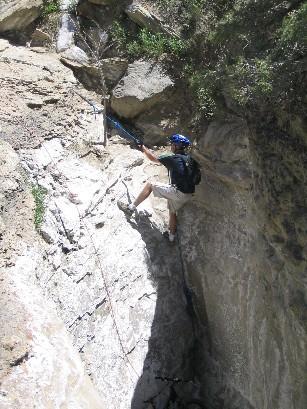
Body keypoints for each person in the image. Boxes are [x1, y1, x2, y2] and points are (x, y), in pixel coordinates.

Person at [117, 134, 197, 243]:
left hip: (178, 192)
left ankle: (130, 208)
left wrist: (142, 147)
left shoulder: (174, 158)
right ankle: (171, 238)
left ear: (177, 146)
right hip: (189, 194)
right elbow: (196, 178)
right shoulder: (190, 160)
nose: (171, 146)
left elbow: (154, 159)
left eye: (172, 144)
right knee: (172, 211)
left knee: (150, 184)